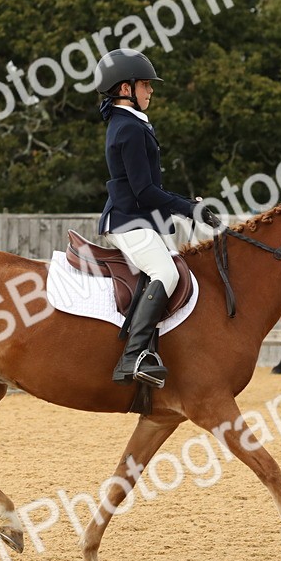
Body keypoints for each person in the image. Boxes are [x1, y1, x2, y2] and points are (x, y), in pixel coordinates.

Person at [93, 48, 217, 388]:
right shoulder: (129, 129)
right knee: (165, 272)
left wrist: (186, 207)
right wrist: (189, 208)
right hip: (127, 220)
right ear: (124, 89)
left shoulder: (132, 124)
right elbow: (144, 191)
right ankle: (133, 356)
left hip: (141, 219)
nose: (151, 91)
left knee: (178, 264)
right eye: (145, 85)